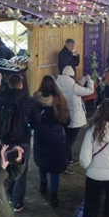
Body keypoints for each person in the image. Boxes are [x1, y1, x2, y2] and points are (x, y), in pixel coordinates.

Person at [0, 73, 39, 212]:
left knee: (4, 167)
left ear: (9, 84)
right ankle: (17, 201)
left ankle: (7, 194)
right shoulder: (29, 100)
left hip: (3, 140)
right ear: (21, 84)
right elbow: (35, 123)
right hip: (23, 141)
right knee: (21, 170)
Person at [32, 75, 71, 207]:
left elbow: (32, 120)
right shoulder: (60, 100)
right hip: (56, 139)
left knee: (42, 163)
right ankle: (54, 196)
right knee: (54, 169)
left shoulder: (36, 99)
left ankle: (43, 186)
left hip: (40, 137)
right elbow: (67, 120)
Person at [55, 66, 93, 169]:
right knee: (70, 141)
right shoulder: (74, 86)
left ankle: (69, 158)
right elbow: (90, 91)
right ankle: (65, 161)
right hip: (75, 117)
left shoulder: (58, 83)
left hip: (64, 116)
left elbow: (77, 86)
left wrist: (83, 80)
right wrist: (89, 81)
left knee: (66, 138)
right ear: (72, 75)